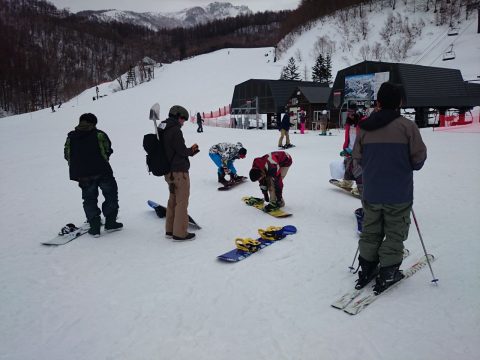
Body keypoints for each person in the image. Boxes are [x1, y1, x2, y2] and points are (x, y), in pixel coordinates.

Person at [352, 82, 427, 294]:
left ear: (378, 102)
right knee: (395, 232)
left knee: (370, 230)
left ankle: (367, 268)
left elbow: (357, 158)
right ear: (400, 103)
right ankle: (388, 273)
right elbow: (418, 159)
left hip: (372, 191)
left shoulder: (365, 127)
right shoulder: (407, 127)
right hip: (398, 193)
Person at [64, 113, 123, 237]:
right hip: (102, 171)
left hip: (83, 175)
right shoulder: (99, 134)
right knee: (110, 195)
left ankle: (95, 227)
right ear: (94, 123)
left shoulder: (71, 137)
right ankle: (110, 223)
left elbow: (67, 154)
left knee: (89, 199)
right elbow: (107, 149)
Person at [162, 105, 200, 241]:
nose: (183, 123)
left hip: (169, 172)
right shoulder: (175, 130)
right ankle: (180, 233)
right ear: (178, 117)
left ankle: (170, 229)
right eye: (183, 119)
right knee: (182, 202)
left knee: (173, 200)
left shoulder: (162, 127)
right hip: (179, 172)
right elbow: (181, 151)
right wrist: (192, 150)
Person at [337, 106, 363, 196]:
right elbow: (347, 136)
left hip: (360, 149)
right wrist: (345, 148)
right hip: (350, 147)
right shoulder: (349, 123)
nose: (350, 116)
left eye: (352, 114)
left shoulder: (362, 122)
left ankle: (361, 187)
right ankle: (347, 181)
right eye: (348, 114)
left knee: (359, 168)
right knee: (347, 165)